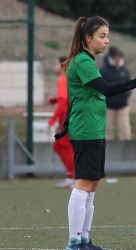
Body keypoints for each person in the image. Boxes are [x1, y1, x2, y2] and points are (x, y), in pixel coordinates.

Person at [54, 16, 136, 250]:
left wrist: (65, 123)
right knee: (82, 183)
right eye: (102, 36)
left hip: (93, 129)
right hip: (86, 131)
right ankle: (74, 243)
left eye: (108, 35)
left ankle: (83, 240)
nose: (107, 40)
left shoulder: (87, 61)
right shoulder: (82, 61)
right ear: (88, 38)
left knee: (92, 184)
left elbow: (77, 96)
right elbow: (106, 90)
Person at [48, 56, 75, 188]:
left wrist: (53, 118)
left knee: (65, 147)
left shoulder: (62, 80)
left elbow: (64, 101)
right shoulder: (67, 79)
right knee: (59, 147)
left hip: (65, 119)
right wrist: (54, 100)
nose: (54, 66)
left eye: (56, 64)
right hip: (68, 118)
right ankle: (71, 176)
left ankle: (73, 177)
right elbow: (65, 97)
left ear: (62, 66)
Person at [100, 46, 132, 140]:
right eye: (115, 57)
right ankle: (107, 151)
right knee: (107, 130)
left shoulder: (125, 70)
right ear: (111, 57)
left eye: (119, 56)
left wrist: (126, 95)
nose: (118, 59)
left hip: (123, 105)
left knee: (124, 129)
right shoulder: (103, 71)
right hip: (108, 106)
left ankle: (127, 150)